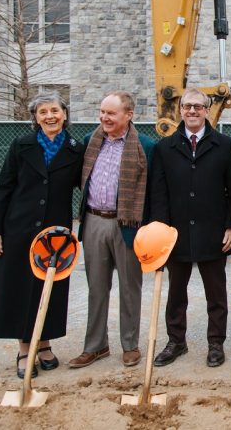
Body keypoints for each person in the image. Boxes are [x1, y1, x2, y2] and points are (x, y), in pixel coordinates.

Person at [0, 91, 85, 379]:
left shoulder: (76, 149)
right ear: (35, 118)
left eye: (54, 110)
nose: (49, 116)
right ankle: (25, 348)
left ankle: (45, 345)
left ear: (64, 114)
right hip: (19, 228)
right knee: (19, 287)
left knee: (50, 287)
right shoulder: (21, 145)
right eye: (43, 112)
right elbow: (4, 188)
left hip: (55, 232)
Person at [149, 88, 231, 368]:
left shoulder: (224, 145)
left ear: (207, 110)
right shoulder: (164, 147)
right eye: (187, 106)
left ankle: (215, 343)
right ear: (180, 110)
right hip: (176, 234)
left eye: (198, 107)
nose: (192, 111)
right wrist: (161, 231)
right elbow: (158, 193)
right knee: (176, 293)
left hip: (213, 232)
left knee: (216, 293)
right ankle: (176, 341)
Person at [69, 91, 156, 369]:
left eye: (111, 113)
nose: (104, 117)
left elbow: (152, 191)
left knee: (130, 288)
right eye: (102, 112)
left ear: (128, 115)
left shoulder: (146, 146)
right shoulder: (89, 142)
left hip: (128, 225)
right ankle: (95, 346)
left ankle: (130, 345)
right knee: (96, 287)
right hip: (93, 221)